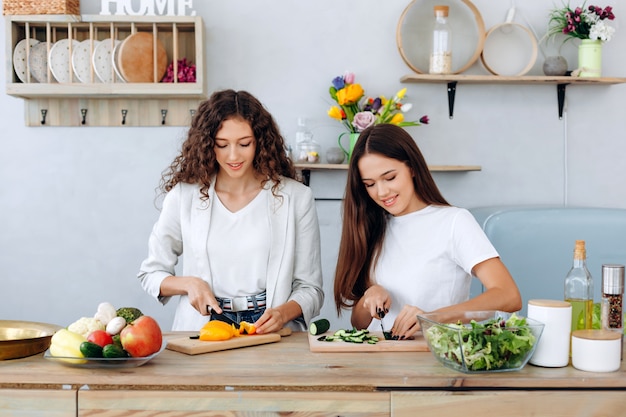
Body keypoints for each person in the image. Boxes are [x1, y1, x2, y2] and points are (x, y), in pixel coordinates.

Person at [138, 89, 324, 333]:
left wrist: (282, 313)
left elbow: (311, 289)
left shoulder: (297, 198)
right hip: (205, 326)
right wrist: (189, 284)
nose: (233, 155)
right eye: (222, 145)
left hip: (269, 330)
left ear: (260, 141)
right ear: (206, 145)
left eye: (244, 144)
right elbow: (151, 274)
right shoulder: (184, 197)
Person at [333, 124, 521, 340]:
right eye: (370, 184)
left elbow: (508, 295)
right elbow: (358, 324)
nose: (382, 192)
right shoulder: (373, 225)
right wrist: (369, 297)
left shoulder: (454, 221)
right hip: (379, 360)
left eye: (390, 177)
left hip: (434, 358)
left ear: (412, 167)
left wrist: (432, 318)